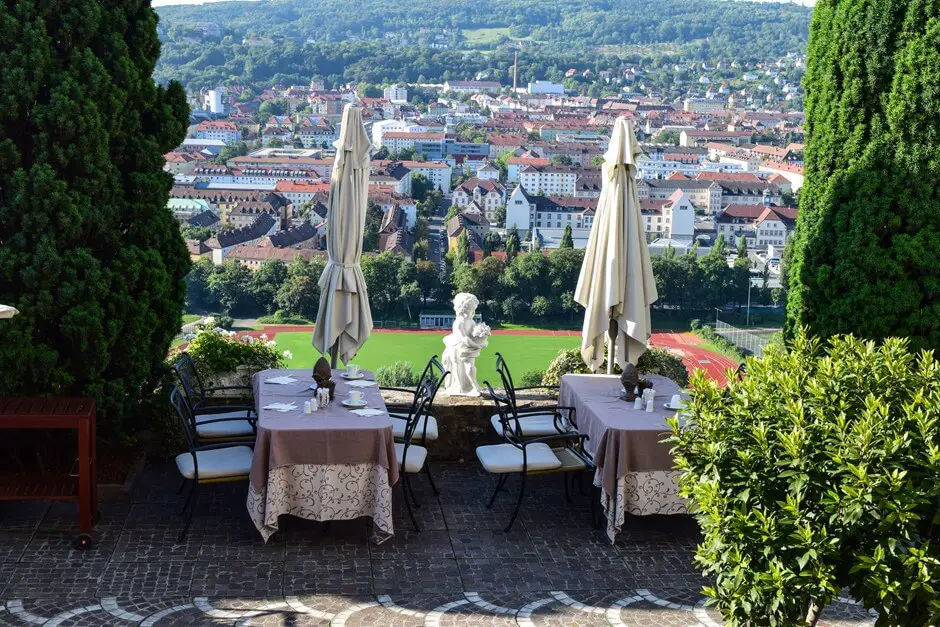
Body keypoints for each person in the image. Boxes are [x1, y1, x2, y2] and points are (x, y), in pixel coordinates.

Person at [441, 293, 491, 396]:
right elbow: (463, 338)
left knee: (470, 366)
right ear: (462, 309)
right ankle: (460, 386)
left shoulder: (471, 321)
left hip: (469, 348)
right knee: (458, 368)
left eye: (474, 309)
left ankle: (472, 384)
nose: (473, 312)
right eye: (470, 309)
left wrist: (482, 337)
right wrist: (476, 345)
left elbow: (473, 335)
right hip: (458, 348)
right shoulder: (458, 322)